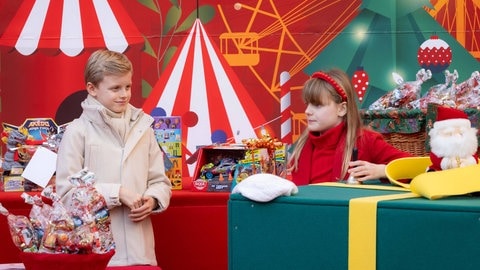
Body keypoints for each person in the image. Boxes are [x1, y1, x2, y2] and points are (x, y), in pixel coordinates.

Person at [55, 49, 172, 266]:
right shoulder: (77, 131)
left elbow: (160, 180)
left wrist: (153, 199)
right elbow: (66, 195)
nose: (124, 94)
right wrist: (116, 193)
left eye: (127, 86)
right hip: (96, 253)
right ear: (92, 89)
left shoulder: (143, 127)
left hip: (141, 252)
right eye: (115, 88)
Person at [288, 68, 412, 185]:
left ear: (342, 109)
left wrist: (383, 170)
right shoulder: (301, 147)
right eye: (307, 104)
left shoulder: (365, 140)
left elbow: (421, 167)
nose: (307, 111)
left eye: (318, 105)